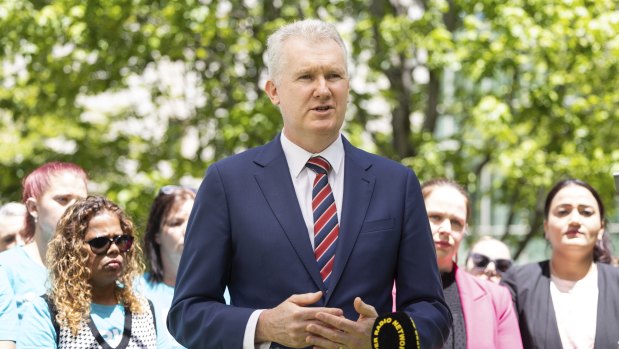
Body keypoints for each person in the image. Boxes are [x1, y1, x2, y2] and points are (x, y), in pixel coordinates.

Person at [167, 19, 451, 349]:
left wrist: (380, 336)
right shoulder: (228, 183)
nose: (323, 89)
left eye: (334, 75)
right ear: (273, 91)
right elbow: (187, 312)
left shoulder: (396, 184)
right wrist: (264, 326)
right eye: (306, 77)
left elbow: (432, 310)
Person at [18, 195, 170, 348]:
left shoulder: (145, 310)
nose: (114, 249)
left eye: (121, 241)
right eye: (100, 242)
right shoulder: (47, 312)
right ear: (73, 250)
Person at [394, 179, 521, 348]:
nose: (446, 229)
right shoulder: (379, 288)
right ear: (411, 220)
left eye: (456, 222)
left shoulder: (497, 298)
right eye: (436, 217)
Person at [501, 179, 619, 348]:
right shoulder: (517, 284)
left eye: (586, 212)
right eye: (563, 212)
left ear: (601, 228)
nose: (575, 220)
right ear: (546, 227)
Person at [0, 162, 87, 325]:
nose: (76, 209)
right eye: (63, 199)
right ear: (33, 207)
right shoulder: (5, 269)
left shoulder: (95, 267)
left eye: (82, 202)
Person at [136, 186, 197, 349]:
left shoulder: (232, 290)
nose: (187, 230)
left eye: (195, 221)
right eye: (176, 223)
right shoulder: (132, 291)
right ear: (157, 235)